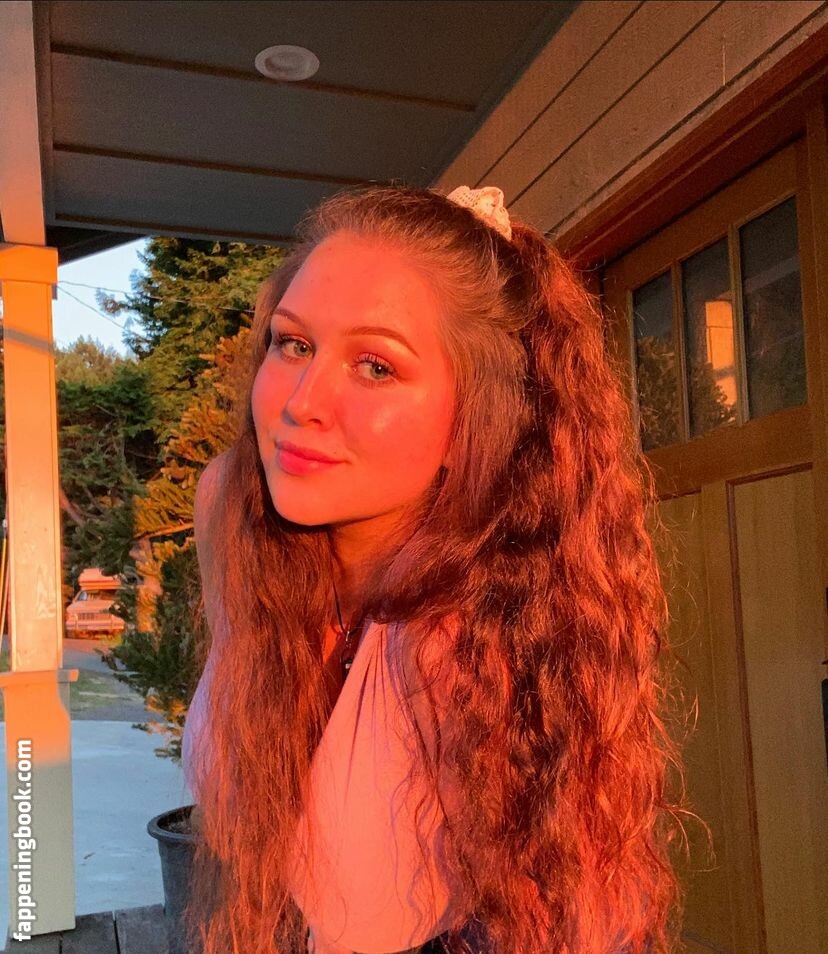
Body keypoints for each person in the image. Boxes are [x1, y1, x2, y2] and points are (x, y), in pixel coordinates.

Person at [181, 184, 696, 954]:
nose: (302, 403)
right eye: (293, 344)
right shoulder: (234, 513)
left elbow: (575, 926)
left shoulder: (471, 637)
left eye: (375, 366)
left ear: (478, 419)